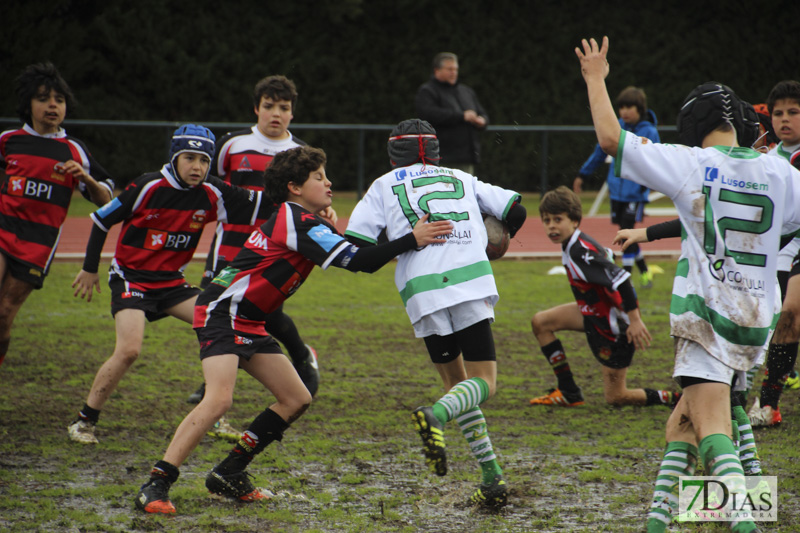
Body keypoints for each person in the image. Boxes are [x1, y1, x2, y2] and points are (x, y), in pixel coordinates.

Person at [134, 145, 453, 514]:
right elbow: (358, 261)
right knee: (219, 399)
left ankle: (229, 471)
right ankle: (156, 483)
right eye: (319, 177)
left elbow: (352, 250)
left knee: (296, 398)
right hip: (222, 312)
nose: (329, 182)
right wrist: (412, 238)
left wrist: (394, 234)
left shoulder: (301, 219)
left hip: (248, 319)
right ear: (294, 187)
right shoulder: (295, 220)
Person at [576, 36, 799, 533]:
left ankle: (746, 525)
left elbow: (612, 140)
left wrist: (596, 77)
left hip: (706, 316)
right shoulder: (781, 171)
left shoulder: (691, 163)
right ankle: (660, 524)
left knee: (712, 426)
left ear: (692, 126)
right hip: (756, 320)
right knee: (683, 424)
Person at [344, 119, 526, 509]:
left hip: (421, 289)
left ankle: (491, 477)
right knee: (485, 383)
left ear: (393, 154)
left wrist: (404, 239)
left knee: (457, 385)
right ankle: (435, 415)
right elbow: (516, 208)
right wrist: (498, 237)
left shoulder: (382, 185)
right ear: (437, 150)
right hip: (469, 280)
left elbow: (358, 253)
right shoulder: (462, 177)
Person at [67, 124, 264, 445]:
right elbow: (102, 219)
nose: (197, 167)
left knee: (222, 326)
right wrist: (90, 269)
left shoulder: (212, 192)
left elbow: (260, 204)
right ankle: (84, 421)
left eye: (203, 160)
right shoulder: (148, 186)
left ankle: (215, 412)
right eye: (189, 158)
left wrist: (310, 208)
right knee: (129, 350)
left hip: (172, 284)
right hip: (131, 279)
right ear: (174, 157)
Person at [190, 75, 324, 413]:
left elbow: (313, 194)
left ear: (293, 113)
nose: (276, 114)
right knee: (214, 305)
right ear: (256, 108)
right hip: (230, 243)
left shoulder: (301, 153)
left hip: (273, 247)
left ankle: (301, 355)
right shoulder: (232, 144)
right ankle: (213, 380)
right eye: (269, 106)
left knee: (267, 313)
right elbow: (213, 183)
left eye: (284, 108)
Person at [0, 62, 114, 369]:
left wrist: (86, 180)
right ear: (28, 104)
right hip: (3, 230)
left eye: (59, 100)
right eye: (43, 98)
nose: (53, 105)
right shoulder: (8, 141)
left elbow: (107, 200)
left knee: (4, 314)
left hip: (39, 242)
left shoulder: (74, 150)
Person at [529, 185, 677, 410]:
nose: (551, 226)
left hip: (614, 327)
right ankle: (569, 391)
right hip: (591, 312)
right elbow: (607, 257)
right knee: (541, 322)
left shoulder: (580, 251)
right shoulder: (574, 244)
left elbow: (622, 280)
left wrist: (634, 320)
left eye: (557, 219)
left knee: (617, 397)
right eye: (546, 220)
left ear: (575, 221)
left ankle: (673, 398)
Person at [748, 80, 800, 427]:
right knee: (786, 318)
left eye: (793, 112)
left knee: (791, 312)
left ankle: (766, 404)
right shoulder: (765, 158)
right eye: (778, 113)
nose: (784, 119)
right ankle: (768, 405)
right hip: (781, 250)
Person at [574, 86, 660, 288]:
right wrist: (582, 174)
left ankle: (625, 278)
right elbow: (599, 151)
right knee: (626, 233)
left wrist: (646, 186)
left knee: (626, 232)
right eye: (621, 107)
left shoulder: (649, 132)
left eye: (629, 107)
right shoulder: (617, 128)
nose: (624, 111)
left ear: (639, 108)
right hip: (617, 193)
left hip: (635, 193)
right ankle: (645, 272)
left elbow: (656, 161)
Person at [415, 53, 488, 174]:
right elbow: (428, 114)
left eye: (455, 69)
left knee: (465, 191)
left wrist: (482, 121)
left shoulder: (466, 91)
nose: (454, 72)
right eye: (449, 69)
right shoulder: (427, 91)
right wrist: (462, 116)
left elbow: (483, 114)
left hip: (466, 157)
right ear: (437, 70)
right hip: (441, 157)